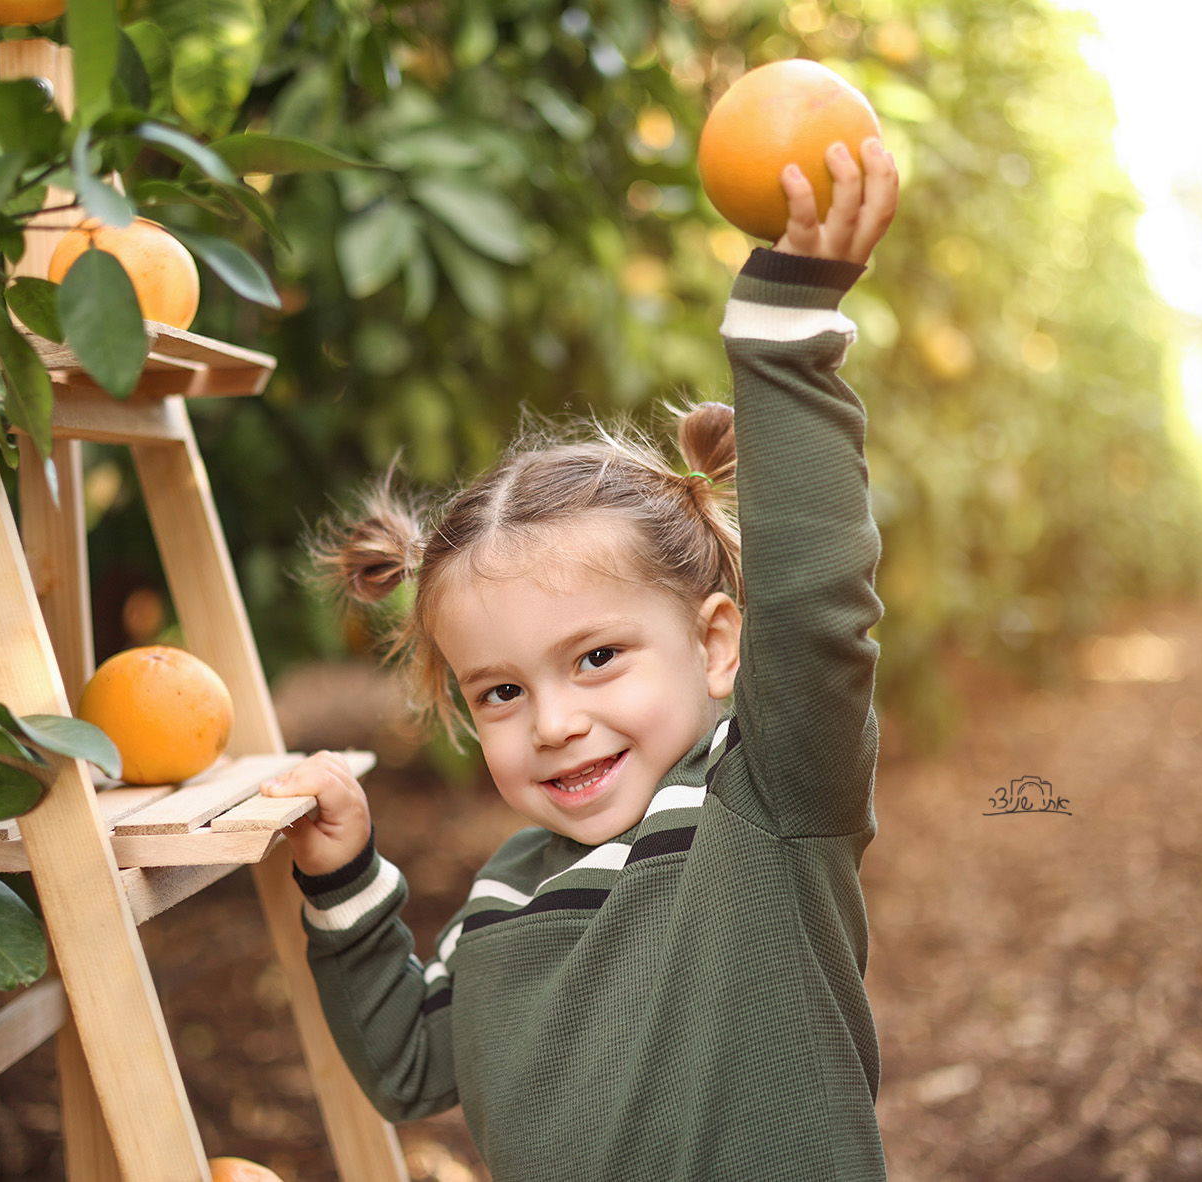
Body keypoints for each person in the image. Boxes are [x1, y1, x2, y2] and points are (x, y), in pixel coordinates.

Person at [262, 137, 899, 1180]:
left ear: (716, 644)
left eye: (597, 657)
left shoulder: (766, 799)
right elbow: (411, 1069)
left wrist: (784, 338)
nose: (553, 722)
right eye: (502, 691)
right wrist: (343, 878)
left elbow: (819, 608)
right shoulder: (507, 893)